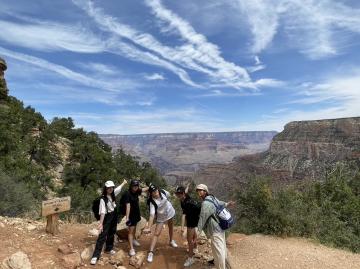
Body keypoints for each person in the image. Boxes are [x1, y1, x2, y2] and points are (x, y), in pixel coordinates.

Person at [196, 184, 235, 269]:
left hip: (214, 228)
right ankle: (225, 265)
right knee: (221, 247)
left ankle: (221, 267)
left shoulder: (205, 203)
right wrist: (227, 204)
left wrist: (197, 233)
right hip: (220, 225)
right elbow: (219, 203)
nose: (199, 192)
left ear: (205, 191)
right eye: (197, 190)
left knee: (218, 250)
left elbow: (202, 218)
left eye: (201, 190)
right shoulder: (212, 197)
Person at [90, 179, 127, 265]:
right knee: (102, 235)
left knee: (112, 232)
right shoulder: (103, 199)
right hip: (107, 217)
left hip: (114, 215)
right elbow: (102, 212)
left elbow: (118, 189)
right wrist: (101, 223)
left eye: (112, 187)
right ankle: (95, 256)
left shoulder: (113, 194)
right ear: (105, 188)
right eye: (109, 188)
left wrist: (123, 183)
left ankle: (109, 248)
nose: (110, 189)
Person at [143, 184, 178, 263]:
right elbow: (152, 215)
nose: (156, 193)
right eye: (153, 192)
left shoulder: (163, 192)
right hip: (161, 217)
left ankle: (171, 240)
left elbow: (169, 195)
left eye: (156, 191)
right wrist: (149, 227)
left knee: (171, 226)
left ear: (158, 189)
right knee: (156, 233)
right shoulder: (152, 202)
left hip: (169, 211)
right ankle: (151, 252)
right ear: (150, 193)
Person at [120, 179, 149, 257]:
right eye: (134, 186)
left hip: (136, 213)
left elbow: (143, 189)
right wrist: (127, 218)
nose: (135, 187)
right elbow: (128, 206)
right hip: (131, 215)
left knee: (135, 227)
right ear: (131, 186)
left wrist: (150, 187)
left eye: (137, 186)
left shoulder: (137, 191)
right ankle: (131, 248)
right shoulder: (127, 194)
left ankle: (134, 240)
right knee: (130, 231)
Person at [175, 184, 201, 267]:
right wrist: (187, 186)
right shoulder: (184, 197)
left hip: (193, 220)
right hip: (194, 217)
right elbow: (186, 190)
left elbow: (184, 215)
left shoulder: (187, 203)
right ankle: (195, 248)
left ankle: (191, 258)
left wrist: (182, 227)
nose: (178, 195)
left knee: (189, 240)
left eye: (180, 194)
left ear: (183, 194)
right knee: (193, 235)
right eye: (177, 194)